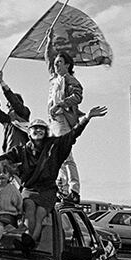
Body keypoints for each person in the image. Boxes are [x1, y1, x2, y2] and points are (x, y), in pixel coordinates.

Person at [0, 106, 107, 246]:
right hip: (29, 189)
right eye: (35, 128)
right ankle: (28, 238)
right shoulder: (21, 151)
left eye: (41, 128)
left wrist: (87, 117)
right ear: (29, 133)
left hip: (48, 189)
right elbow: (2, 159)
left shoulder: (54, 145)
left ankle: (30, 242)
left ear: (46, 132)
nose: (38, 130)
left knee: (40, 214)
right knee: (29, 209)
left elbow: (73, 134)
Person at [45, 28, 85, 203]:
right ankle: (62, 188)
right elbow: (48, 59)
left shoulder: (69, 79)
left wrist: (61, 103)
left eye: (59, 62)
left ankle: (74, 190)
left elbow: (78, 96)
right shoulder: (55, 78)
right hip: (53, 121)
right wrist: (49, 42)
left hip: (62, 119)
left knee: (66, 156)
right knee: (55, 155)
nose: (56, 65)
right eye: (56, 63)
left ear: (67, 65)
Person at [0, 71, 31, 153]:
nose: (8, 105)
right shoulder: (9, 120)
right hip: (9, 153)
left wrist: (2, 82)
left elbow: (14, 101)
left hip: (23, 152)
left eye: (9, 103)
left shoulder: (24, 112)